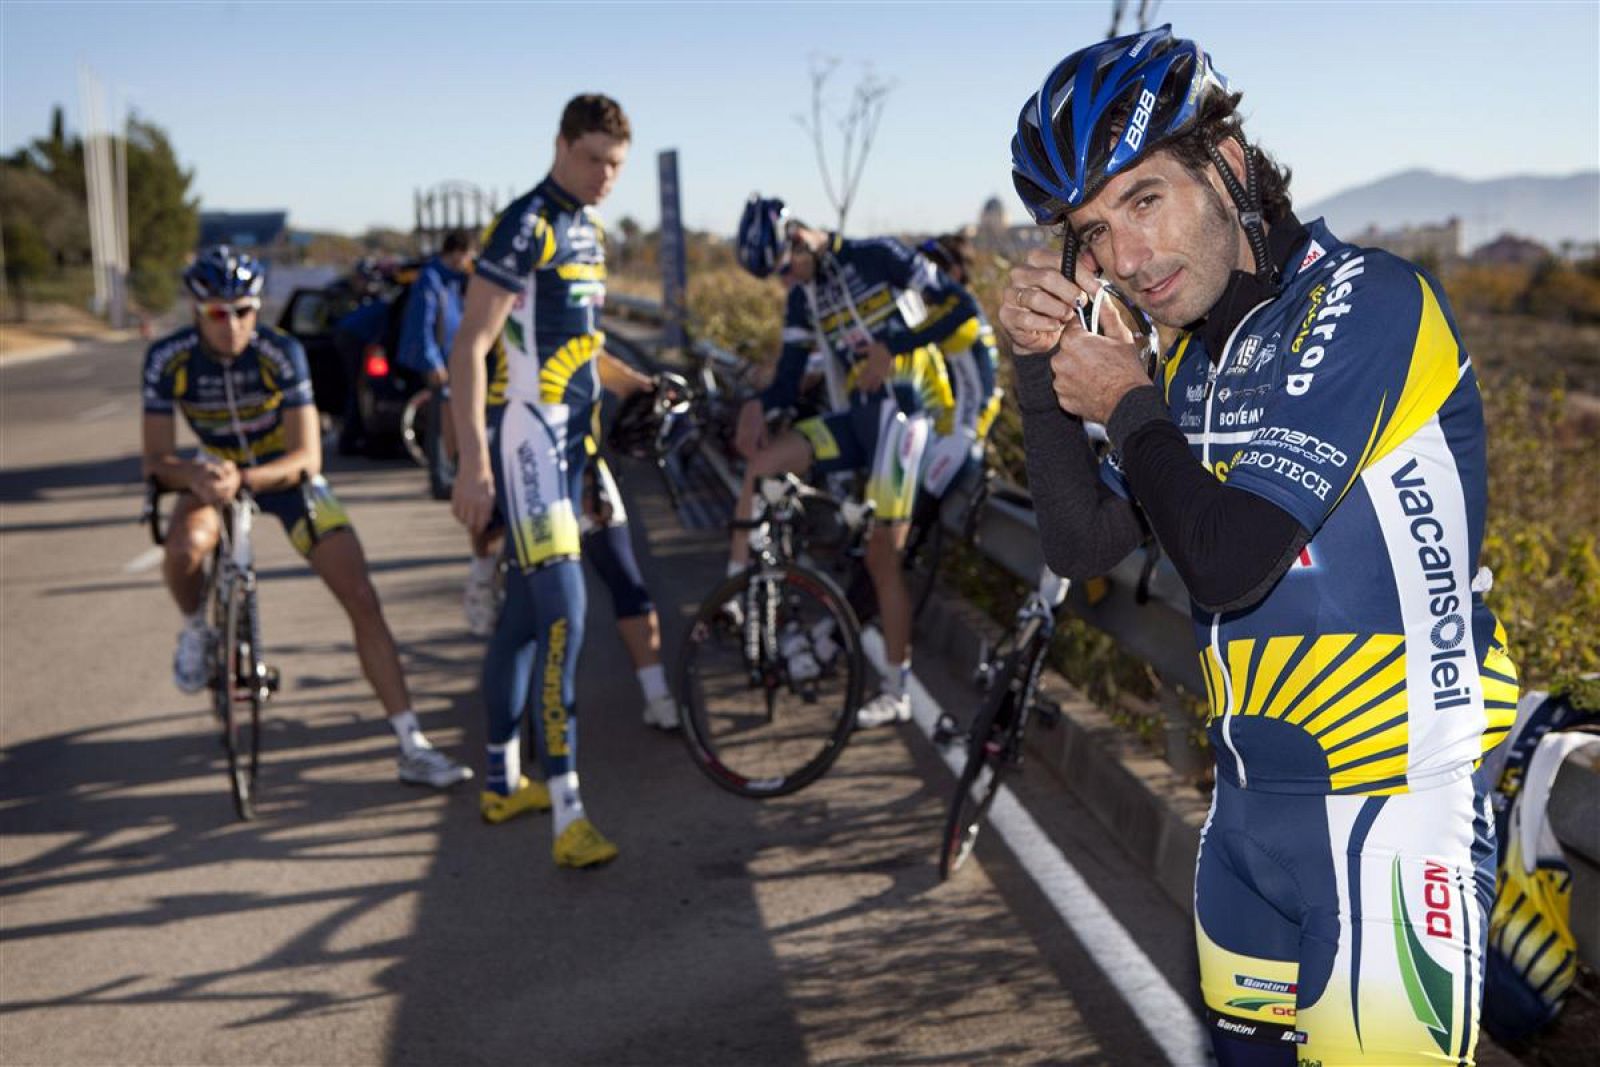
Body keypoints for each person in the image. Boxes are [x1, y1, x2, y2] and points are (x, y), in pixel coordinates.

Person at [1001, 26, 1518, 1066]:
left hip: (1389, 810)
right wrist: (1040, 367)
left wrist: (1130, 401)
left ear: (1226, 165)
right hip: (1246, 822)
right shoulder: (1194, 362)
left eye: (1144, 200)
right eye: (1090, 233)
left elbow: (1231, 559)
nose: (1125, 259)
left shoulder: (1367, 301)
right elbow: (1081, 538)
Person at [142, 246, 473, 791]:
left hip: (281, 476)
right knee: (182, 551)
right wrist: (197, 477)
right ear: (197, 311)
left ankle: (412, 743)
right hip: (212, 472)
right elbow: (154, 461)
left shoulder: (281, 351)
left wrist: (245, 480)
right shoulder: (167, 357)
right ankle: (196, 630)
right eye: (218, 315)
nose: (233, 326)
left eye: (244, 311)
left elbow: (308, 458)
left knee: (361, 597)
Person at [446, 93, 634, 869]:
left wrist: (645, 381)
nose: (604, 176)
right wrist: (473, 463)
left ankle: (500, 781)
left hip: (573, 445)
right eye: (592, 158)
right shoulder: (527, 223)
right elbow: (469, 348)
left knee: (524, 619)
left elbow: (585, 351)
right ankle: (568, 812)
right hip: (523, 439)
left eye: (615, 164)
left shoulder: (591, 232)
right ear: (560, 145)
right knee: (567, 613)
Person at [729, 196, 975, 728]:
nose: (786, 281)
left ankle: (898, 688)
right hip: (859, 418)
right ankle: (740, 591)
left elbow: (964, 307)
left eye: (785, 266)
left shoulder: (878, 255)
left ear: (798, 238)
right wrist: (759, 404)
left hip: (910, 415)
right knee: (765, 462)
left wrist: (896, 342)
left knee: (882, 559)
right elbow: (789, 381)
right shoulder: (804, 296)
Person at [397, 230, 475, 500]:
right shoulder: (431, 279)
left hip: (452, 358)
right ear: (457, 252)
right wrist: (432, 362)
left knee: (450, 417)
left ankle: (450, 475)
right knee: (441, 422)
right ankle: (442, 480)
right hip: (440, 361)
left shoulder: (453, 279)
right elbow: (423, 324)